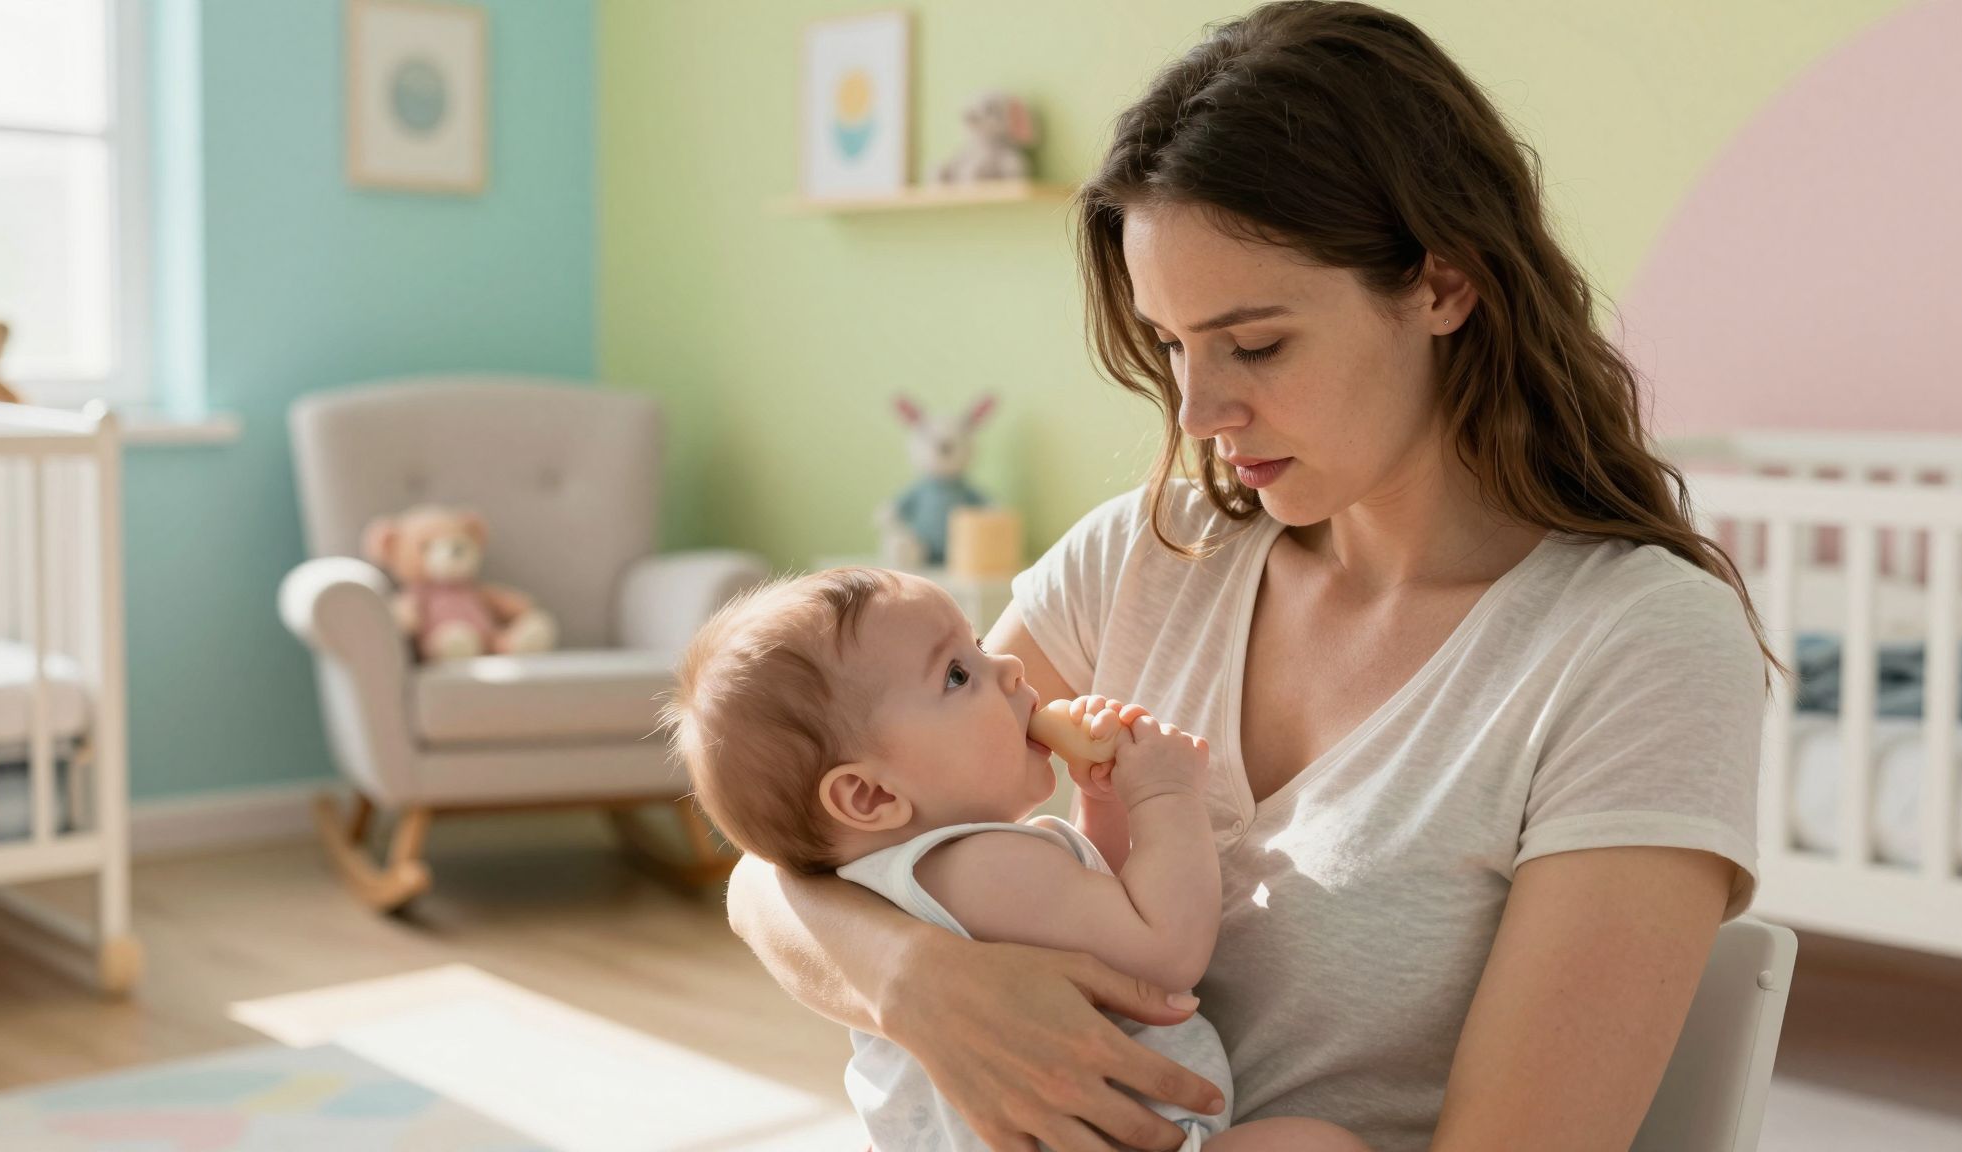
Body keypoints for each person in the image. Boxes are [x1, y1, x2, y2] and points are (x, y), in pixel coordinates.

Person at [727, 3, 1777, 1150]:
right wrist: (917, 985)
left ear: (1441, 286)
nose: (1196, 411)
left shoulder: (1632, 646)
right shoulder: (1142, 555)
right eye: (1171, 344)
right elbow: (782, 863)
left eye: (1256, 344)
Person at [661, 567, 1368, 1150]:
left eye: (975, 643)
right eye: (957, 675)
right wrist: (1165, 798)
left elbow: (1102, 911)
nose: (1005, 665)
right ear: (870, 796)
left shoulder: (909, 882)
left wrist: (1104, 809)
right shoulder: (982, 867)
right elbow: (1162, 953)